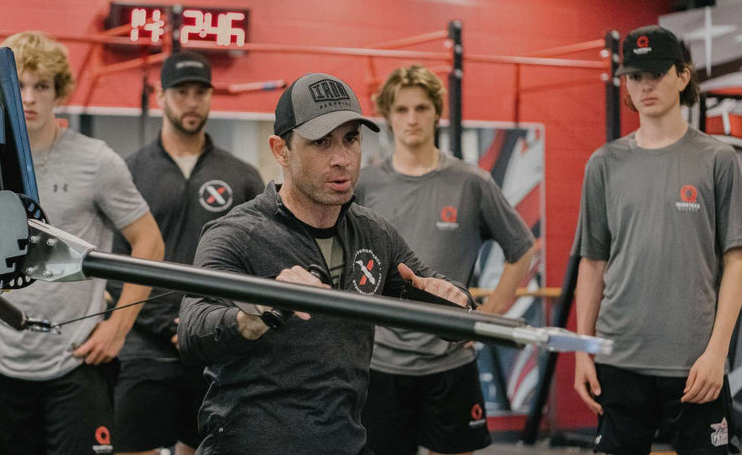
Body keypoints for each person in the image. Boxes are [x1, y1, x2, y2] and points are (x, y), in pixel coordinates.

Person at [178, 73, 474, 455]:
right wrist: (252, 316)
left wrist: (455, 303)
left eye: (351, 139)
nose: (341, 159)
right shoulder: (236, 232)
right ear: (281, 150)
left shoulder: (373, 233)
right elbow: (193, 330)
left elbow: (433, 292)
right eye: (321, 143)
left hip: (344, 443)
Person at [572, 25, 742, 455]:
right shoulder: (604, 163)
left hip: (694, 363)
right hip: (619, 360)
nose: (645, 84)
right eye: (635, 76)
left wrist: (716, 353)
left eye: (656, 72)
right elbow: (593, 264)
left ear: (682, 76)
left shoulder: (717, 160)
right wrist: (583, 351)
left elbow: (737, 262)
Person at [0, 31, 164, 455]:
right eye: (20, 86)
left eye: (42, 86)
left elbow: (150, 243)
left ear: (59, 92)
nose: (29, 98)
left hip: (77, 359)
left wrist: (117, 329)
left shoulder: (97, 160)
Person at [356, 64, 537, 455]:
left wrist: (485, 321)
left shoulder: (471, 182)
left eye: (421, 108)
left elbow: (522, 250)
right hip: (381, 364)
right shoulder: (366, 184)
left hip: (449, 362)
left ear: (436, 112)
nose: (411, 118)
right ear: (387, 115)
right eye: (401, 109)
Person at [110, 51, 264, 455]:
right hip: (145, 348)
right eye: (181, 92)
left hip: (215, 345)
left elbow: (256, 260)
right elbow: (113, 265)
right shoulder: (129, 171)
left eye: (201, 92)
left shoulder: (242, 175)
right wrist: (168, 324)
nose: (192, 101)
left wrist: (208, 323)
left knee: (199, 449)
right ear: (160, 97)